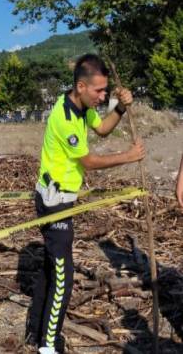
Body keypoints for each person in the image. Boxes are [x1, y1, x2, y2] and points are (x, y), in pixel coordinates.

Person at [26, 54, 146, 354]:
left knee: (51, 270)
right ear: (81, 86)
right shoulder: (65, 117)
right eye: (99, 91)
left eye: (106, 91)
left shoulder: (82, 108)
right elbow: (89, 162)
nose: (103, 96)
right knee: (64, 279)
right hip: (55, 204)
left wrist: (119, 108)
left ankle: (35, 332)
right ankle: (48, 345)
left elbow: (103, 128)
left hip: (61, 199)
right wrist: (127, 157)